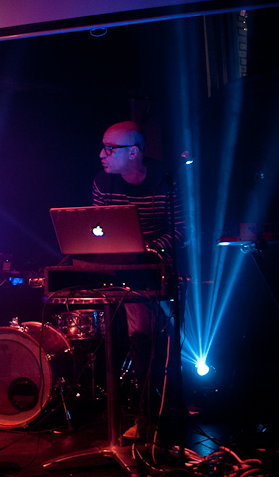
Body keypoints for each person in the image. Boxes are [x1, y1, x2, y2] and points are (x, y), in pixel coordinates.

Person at [92, 120, 186, 443]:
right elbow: (99, 229)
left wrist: (149, 249)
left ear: (133, 152)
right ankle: (148, 418)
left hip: (162, 270)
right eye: (103, 147)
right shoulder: (103, 183)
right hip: (126, 272)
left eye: (109, 148)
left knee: (164, 345)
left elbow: (182, 229)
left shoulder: (165, 180)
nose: (102, 154)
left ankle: (167, 415)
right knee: (140, 341)